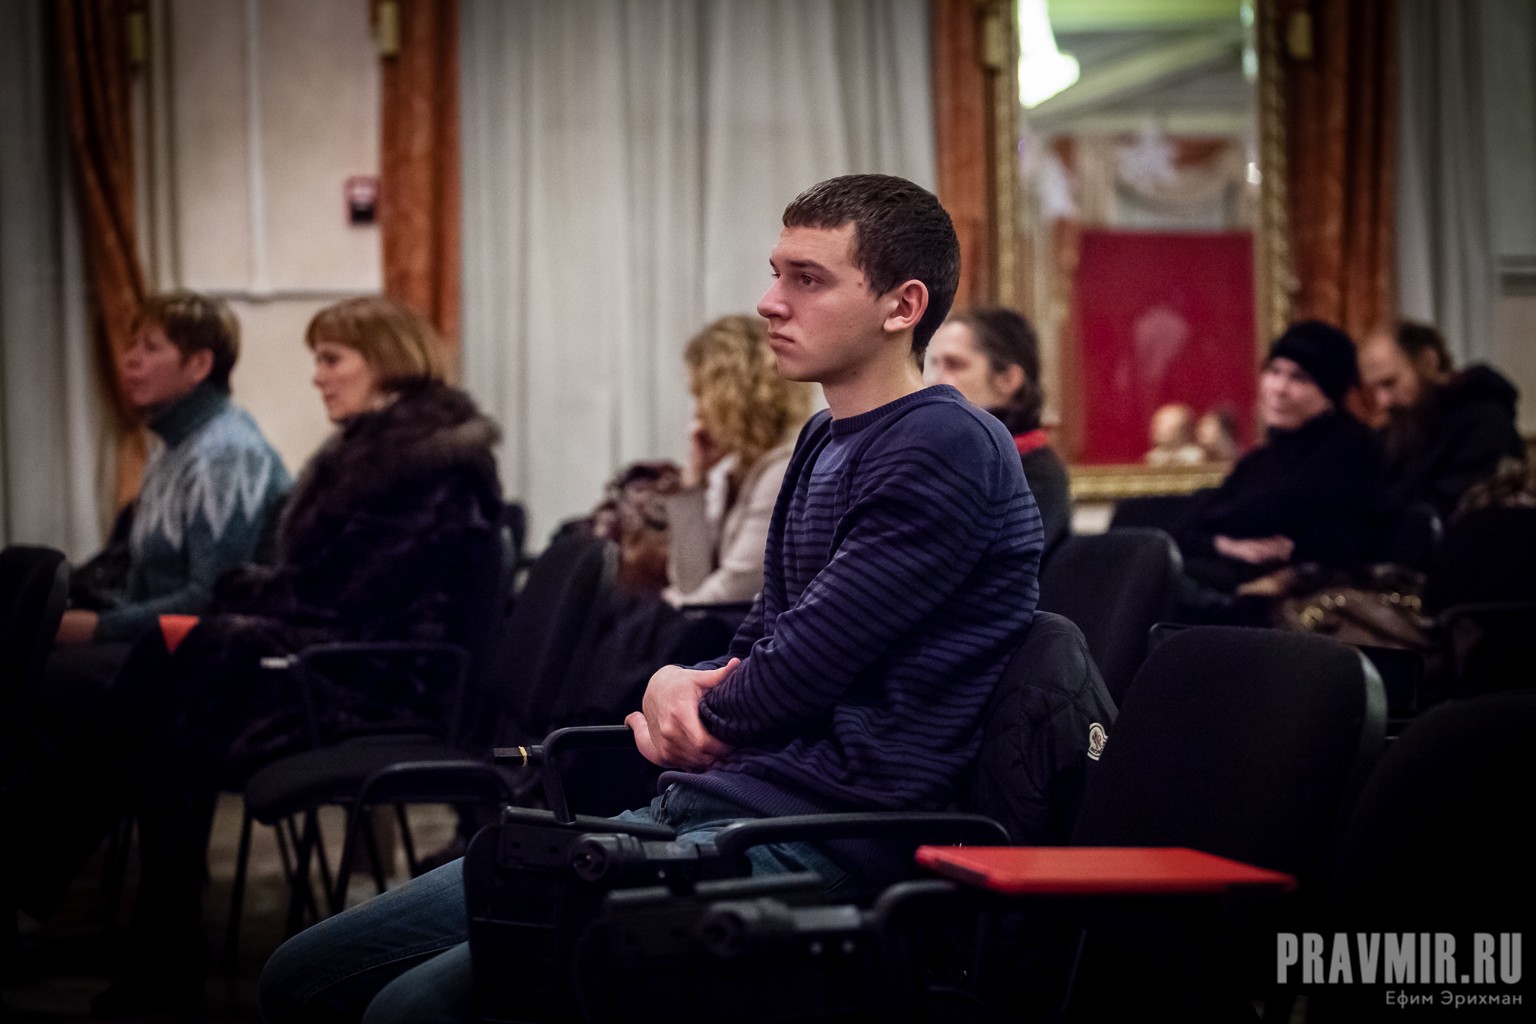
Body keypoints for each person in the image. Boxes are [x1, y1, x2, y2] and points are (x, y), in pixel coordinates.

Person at [260, 174, 1044, 1024]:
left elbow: (789, 672)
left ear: (903, 306)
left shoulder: (944, 442)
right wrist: (671, 681)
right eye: (776, 273)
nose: (770, 302)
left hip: (825, 838)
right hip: (718, 808)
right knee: (302, 973)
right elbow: (755, 637)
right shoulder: (824, 436)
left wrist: (689, 699)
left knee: (409, 1009)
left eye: (807, 279)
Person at [3, 297, 503, 1016]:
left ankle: (69, 895)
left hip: (373, 683)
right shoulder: (383, 450)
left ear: (386, 361)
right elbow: (325, 591)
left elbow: (354, 604)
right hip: (341, 661)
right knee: (164, 694)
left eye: (331, 359)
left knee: (168, 692)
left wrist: (233, 605)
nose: (317, 376)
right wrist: (235, 602)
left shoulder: (427, 464)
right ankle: (131, 937)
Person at [32, 292, 290, 741]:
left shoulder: (225, 453)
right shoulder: (169, 448)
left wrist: (99, 628)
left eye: (151, 348)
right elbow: (143, 582)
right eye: (132, 345)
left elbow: (213, 596)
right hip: (161, 645)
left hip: (215, 658)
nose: (130, 359)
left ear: (199, 365)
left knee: (39, 679)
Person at [1173, 320, 1383, 599]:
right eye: (1274, 371)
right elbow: (1194, 521)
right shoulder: (1263, 458)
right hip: (1230, 576)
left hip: (1285, 595)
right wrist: (1225, 545)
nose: (1279, 388)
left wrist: (1221, 530)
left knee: (1158, 573)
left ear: (1330, 394)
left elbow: (1268, 512)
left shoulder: (1349, 448)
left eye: (1299, 378)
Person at [662, 314, 814, 606]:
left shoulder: (783, 472)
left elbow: (732, 593)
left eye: (701, 395)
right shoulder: (731, 472)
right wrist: (694, 480)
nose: (697, 412)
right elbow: (689, 581)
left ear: (731, 397)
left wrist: (670, 605)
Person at [925, 306, 1071, 557]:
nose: (934, 381)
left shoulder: (1037, 475)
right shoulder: (948, 457)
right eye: (934, 365)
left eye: (955, 365)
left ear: (1008, 380)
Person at [1358, 321, 1524, 519]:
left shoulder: (1484, 422)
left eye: (1389, 383)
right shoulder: (1396, 429)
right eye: (1373, 390)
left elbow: (1449, 509)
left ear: (1428, 362)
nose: (1382, 401)